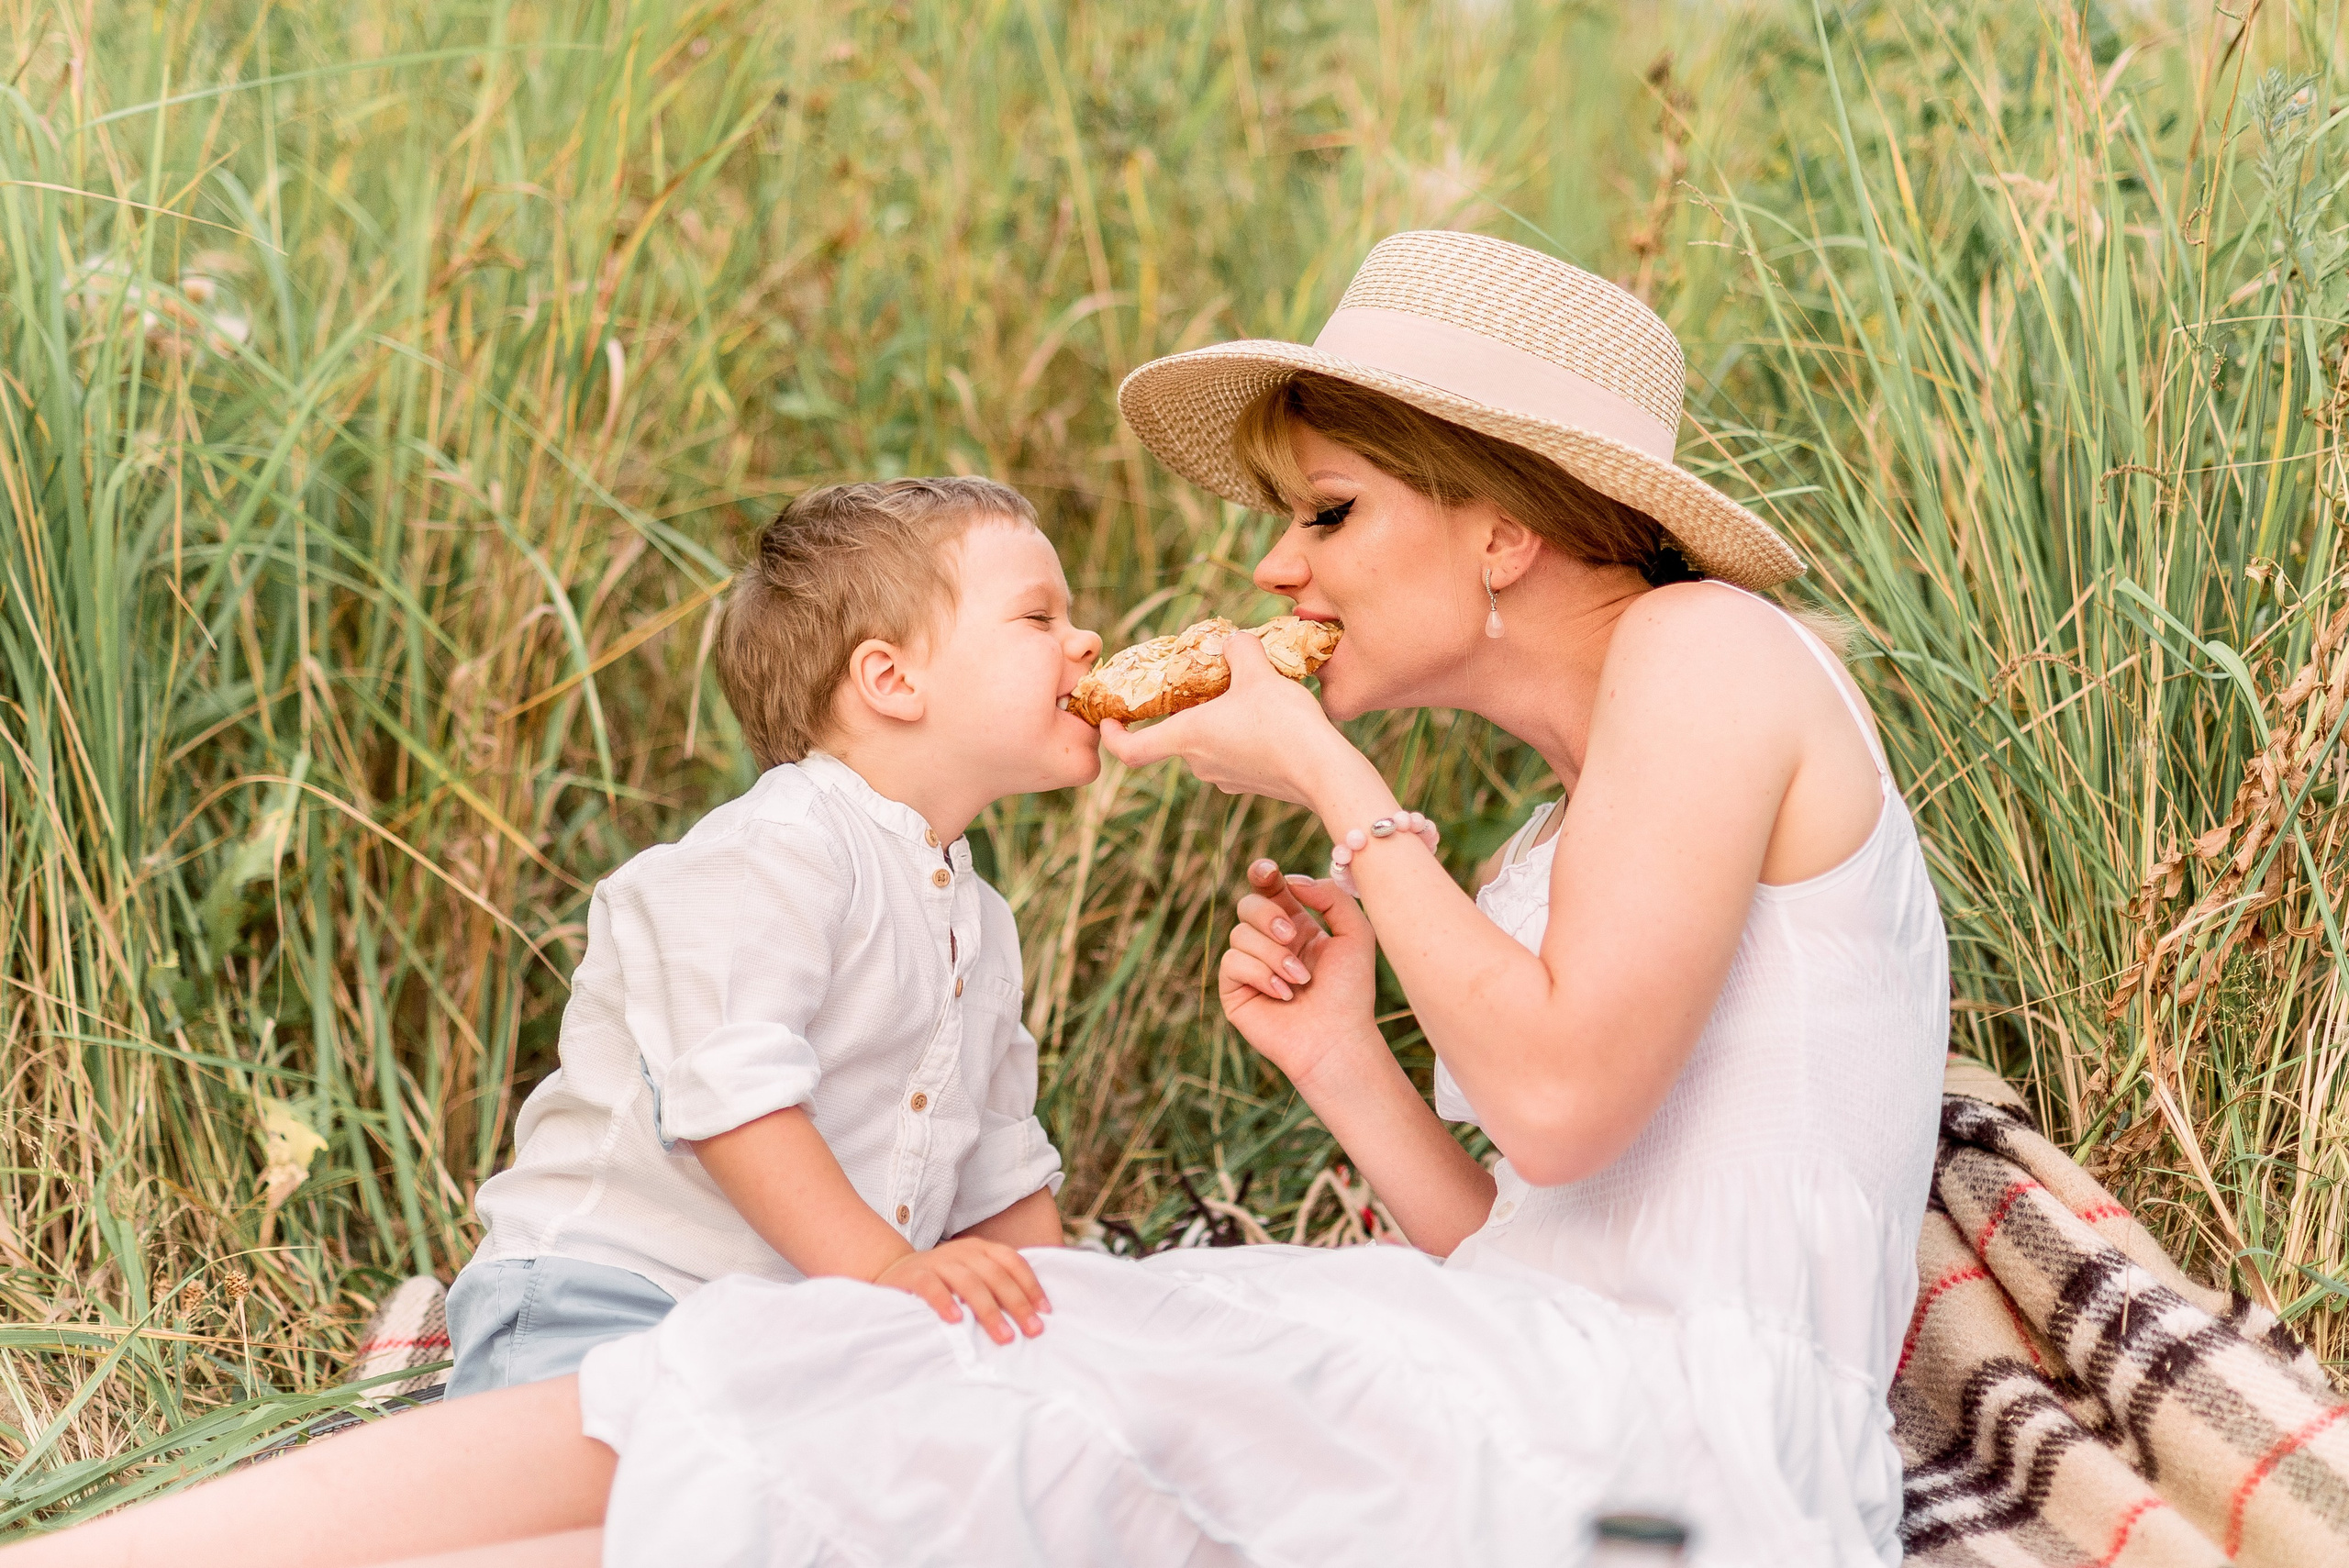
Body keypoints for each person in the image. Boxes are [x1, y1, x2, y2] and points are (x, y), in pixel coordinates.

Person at [4, 231, 1947, 1568]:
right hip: (1550, 1364)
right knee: (918, 1405)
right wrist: (1346, 1062)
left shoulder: (1708, 655)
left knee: (921, 1365)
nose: (1276, 570)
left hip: (1674, 1439)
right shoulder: (1570, 803)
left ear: (1504, 521)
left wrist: (1343, 791)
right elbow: (1545, 1234)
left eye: (1329, 508)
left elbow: (1566, 1100)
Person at [440, 476, 1099, 1395]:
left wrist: (1066, 1336)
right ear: (891, 678)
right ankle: (445, 1396)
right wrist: (886, 1272)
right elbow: (736, 1099)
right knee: (602, 1496)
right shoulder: (774, 852)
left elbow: (993, 1163)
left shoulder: (977, 915)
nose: (1087, 641)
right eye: (1040, 617)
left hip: (804, 1325)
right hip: (613, 1296)